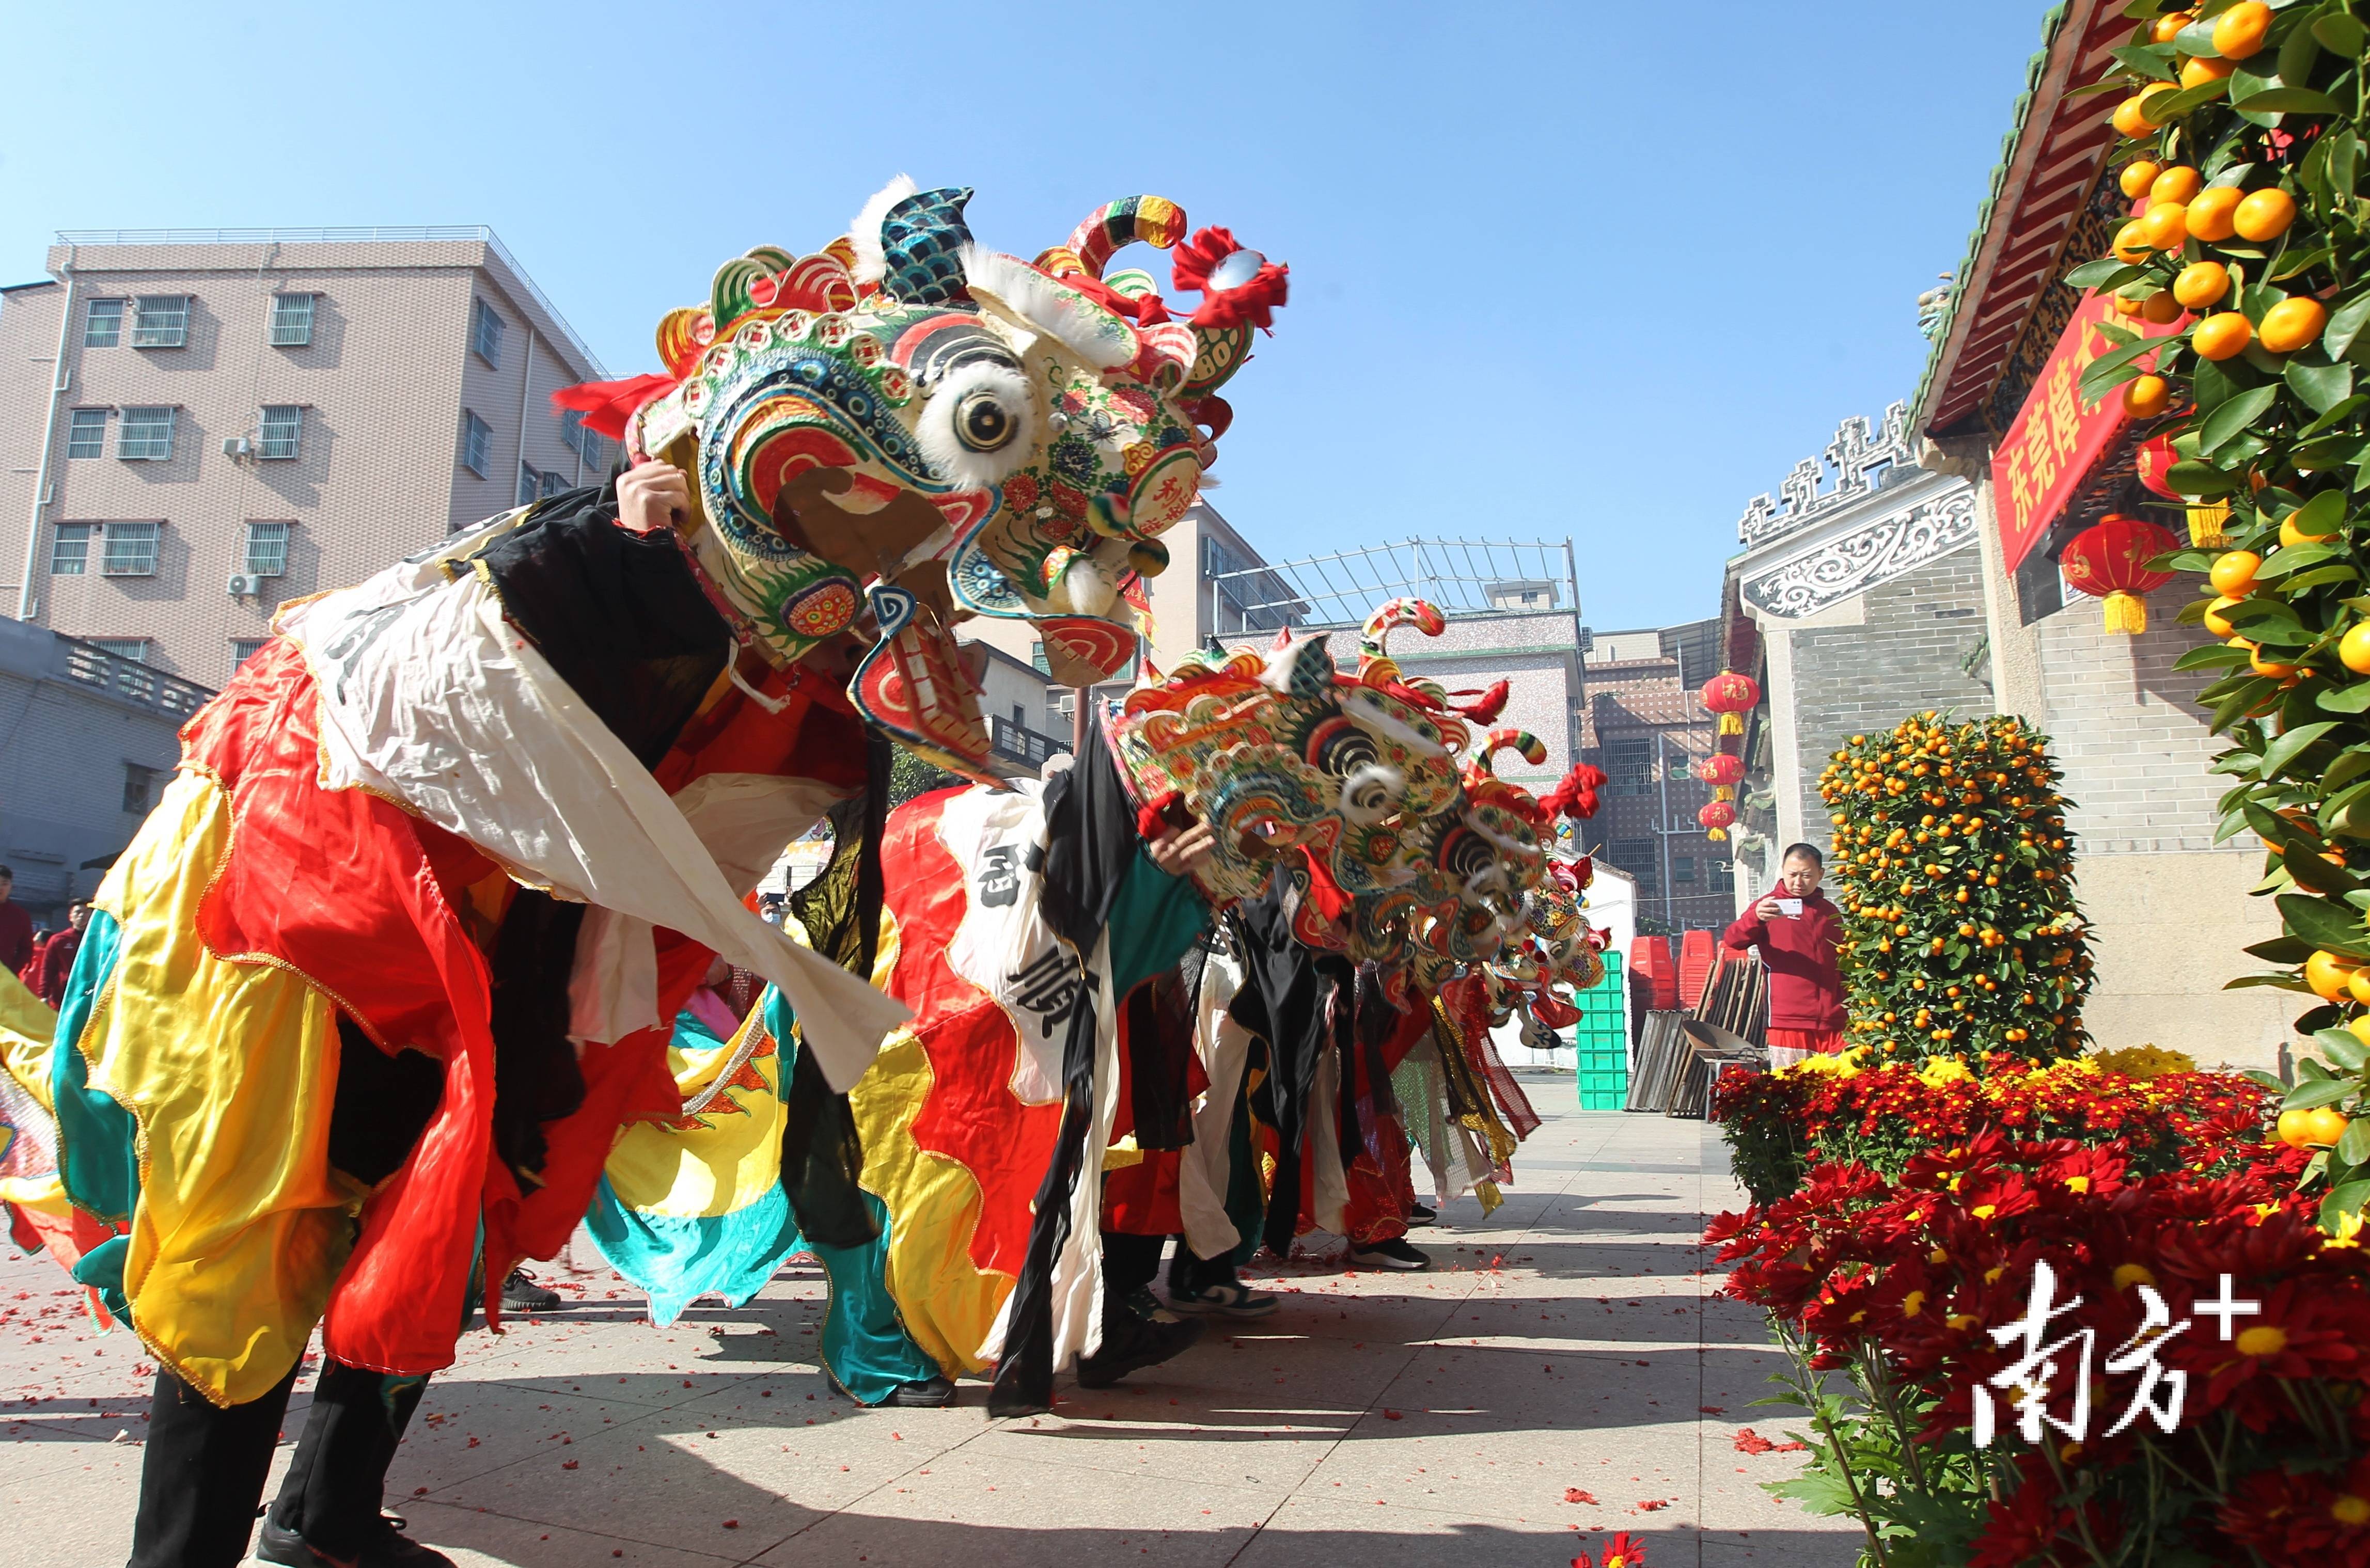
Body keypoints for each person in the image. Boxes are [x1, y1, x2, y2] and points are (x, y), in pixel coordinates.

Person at [1722, 843, 1845, 1070]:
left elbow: (1843, 961)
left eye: (1806, 875)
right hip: (1788, 1019)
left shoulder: (1830, 912)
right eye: (1793, 875)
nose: (1799, 882)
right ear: (1783, 871)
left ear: (1821, 874)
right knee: (1792, 1091)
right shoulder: (1767, 908)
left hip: (1833, 1019)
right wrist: (1756, 919)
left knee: (1838, 1092)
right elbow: (1733, 939)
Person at [22, 899, 87, 1007]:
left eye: (87, 912)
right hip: (63, 996)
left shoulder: (98, 939)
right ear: (70, 916)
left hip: (91, 995)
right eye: (78, 912)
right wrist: (44, 995)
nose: (82, 916)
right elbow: (48, 968)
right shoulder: (59, 940)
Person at [0, 867, 32, 977]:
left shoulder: (20, 916)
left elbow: (26, 949)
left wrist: (11, 973)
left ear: (11, 887)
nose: (1, 888)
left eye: (4, 883)